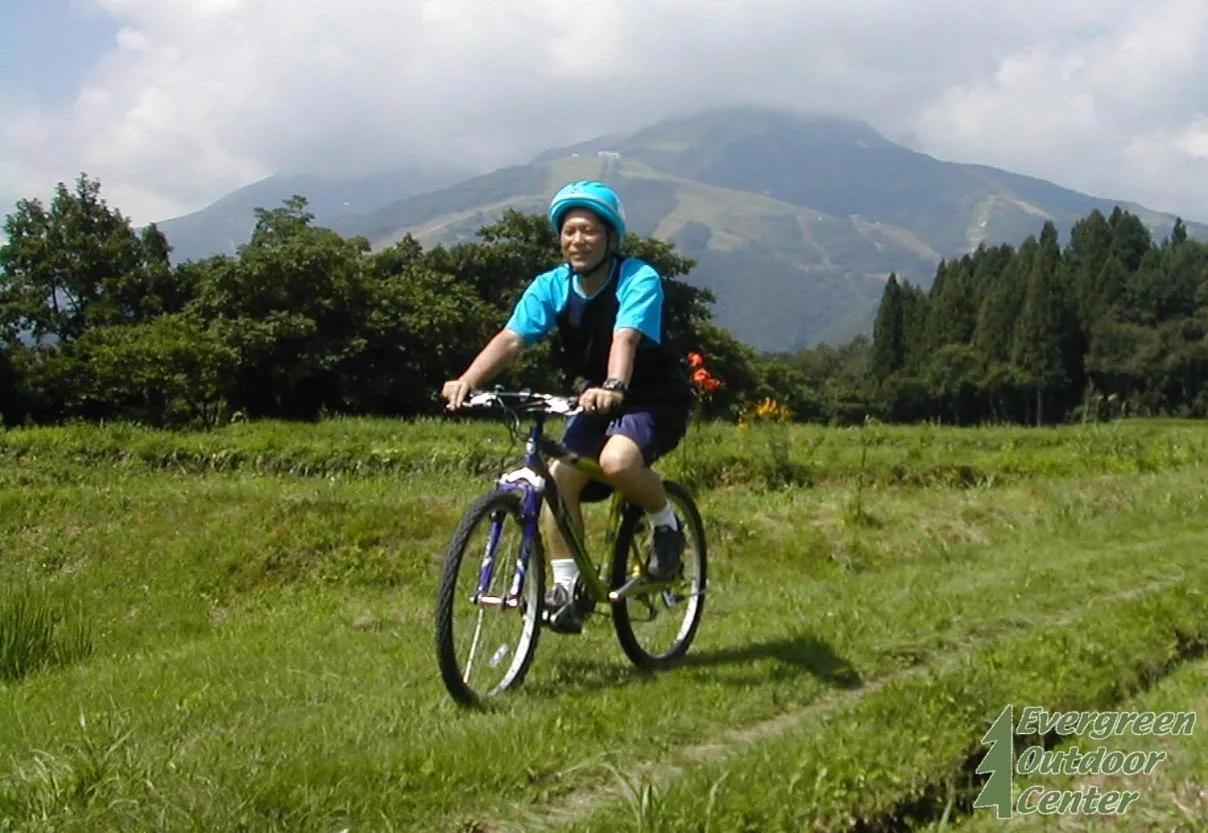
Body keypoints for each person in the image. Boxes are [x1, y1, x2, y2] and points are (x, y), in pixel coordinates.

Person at [441, 180, 693, 634]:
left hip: (652, 397)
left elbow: (626, 336)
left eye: (589, 230)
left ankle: (666, 523)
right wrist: (468, 381)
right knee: (559, 479)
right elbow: (513, 338)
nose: (578, 240)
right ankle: (567, 590)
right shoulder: (551, 286)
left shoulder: (638, 277)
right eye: (569, 231)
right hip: (592, 398)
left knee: (618, 461)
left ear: (610, 237)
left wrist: (615, 385)